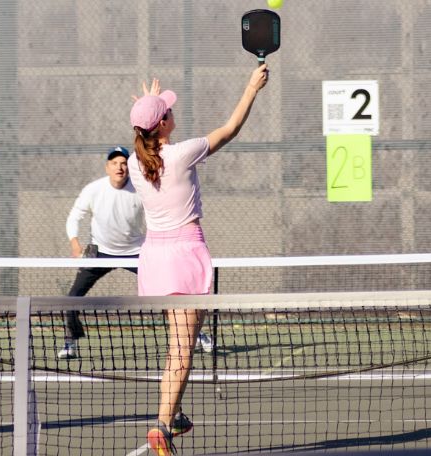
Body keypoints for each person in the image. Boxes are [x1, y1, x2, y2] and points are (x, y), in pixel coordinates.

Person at [129, 64, 269, 456]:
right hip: (184, 256)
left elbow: (143, 133)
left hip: (154, 259)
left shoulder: (137, 162)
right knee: (182, 351)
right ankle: (161, 425)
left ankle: (168, 417)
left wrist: (148, 105)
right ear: (164, 123)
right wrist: (251, 86)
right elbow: (230, 129)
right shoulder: (182, 154)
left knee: (176, 347)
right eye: (167, 110)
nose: (174, 112)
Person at [58, 146, 215, 360]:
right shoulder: (93, 190)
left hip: (137, 252)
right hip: (100, 253)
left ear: (129, 167)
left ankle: (195, 335)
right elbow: (74, 217)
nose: (119, 167)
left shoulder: (141, 189)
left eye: (123, 163)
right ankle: (70, 342)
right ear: (107, 167)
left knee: (168, 295)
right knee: (72, 298)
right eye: (114, 163)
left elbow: (161, 210)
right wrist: (75, 244)